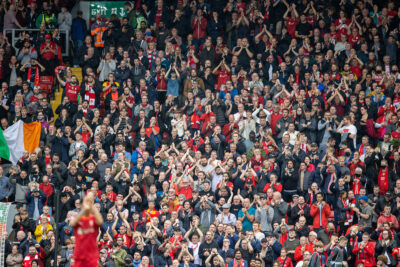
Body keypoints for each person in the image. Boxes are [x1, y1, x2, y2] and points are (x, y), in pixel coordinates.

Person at [71, 192, 104, 267]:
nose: (87, 204)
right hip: (79, 255)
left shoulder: (93, 218)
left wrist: (92, 205)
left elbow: (100, 222)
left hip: (91, 255)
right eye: (86, 202)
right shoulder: (76, 217)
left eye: (89, 202)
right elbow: (73, 223)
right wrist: (84, 210)